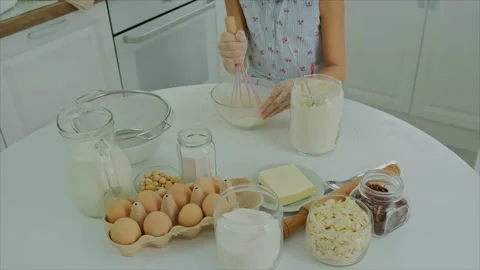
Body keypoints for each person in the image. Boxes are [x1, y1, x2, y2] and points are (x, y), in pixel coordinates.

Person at [218, 0, 346, 119]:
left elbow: (337, 69)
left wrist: (301, 88)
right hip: (258, 100)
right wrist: (232, 60)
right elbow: (238, 60)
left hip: (311, 103)